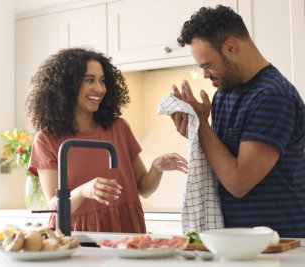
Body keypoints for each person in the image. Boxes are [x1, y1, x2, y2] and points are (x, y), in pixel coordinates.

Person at [170, 5, 305, 237]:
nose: (204, 74)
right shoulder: (224, 93)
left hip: (278, 244)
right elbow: (222, 161)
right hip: (237, 243)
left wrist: (202, 126)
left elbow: (239, 183)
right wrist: (195, 130)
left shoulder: (272, 96)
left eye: (207, 65)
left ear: (231, 47)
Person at [26, 48, 188, 233]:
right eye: (90, 80)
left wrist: (157, 168)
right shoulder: (47, 140)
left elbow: (144, 188)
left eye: (102, 81)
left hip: (126, 228)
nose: (100, 88)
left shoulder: (119, 128)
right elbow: (54, 204)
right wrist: (83, 191)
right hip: (78, 233)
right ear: (67, 85)